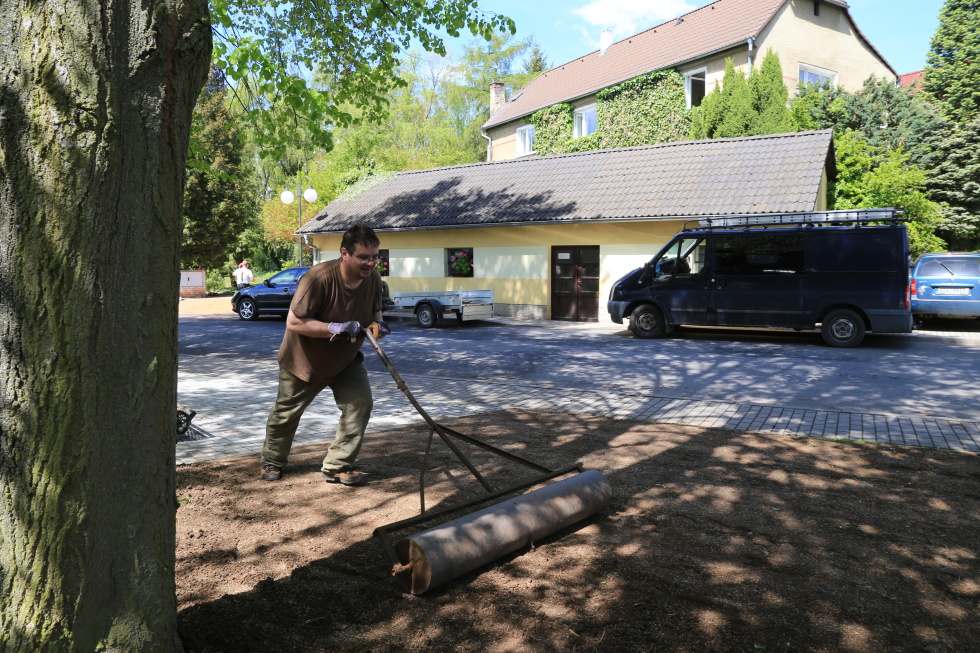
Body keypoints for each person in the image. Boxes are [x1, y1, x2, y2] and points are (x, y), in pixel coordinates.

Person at [259, 225, 390, 486]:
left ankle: (337, 466)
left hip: (345, 360)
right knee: (286, 414)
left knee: (360, 404)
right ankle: (272, 461)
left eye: (375, 257)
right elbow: (294, 322)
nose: (371, 263)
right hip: (304, 361)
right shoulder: (317, 278)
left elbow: (376, 313)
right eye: (363, 257)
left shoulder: (373, 279)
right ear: (345, 253)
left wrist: (379, 325)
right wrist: (335, 328)